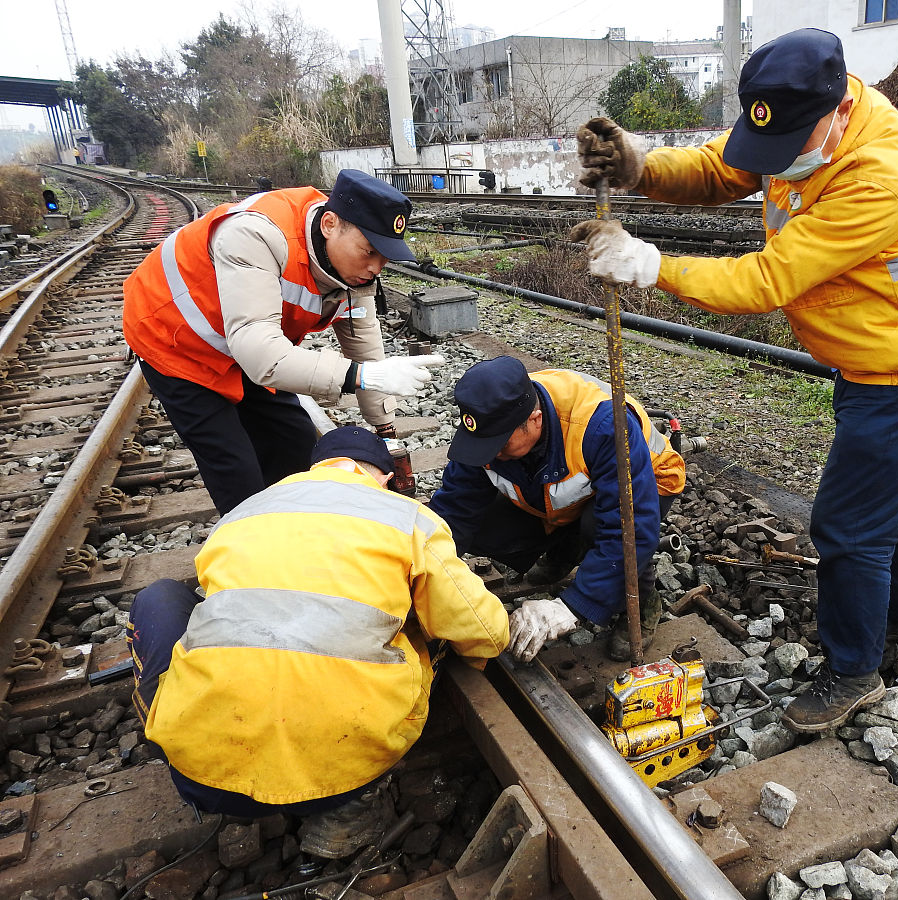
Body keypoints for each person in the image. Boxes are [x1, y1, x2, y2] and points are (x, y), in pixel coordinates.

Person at [570, 28, 898, 731]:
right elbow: (724, 170)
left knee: (847, 527)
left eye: (786, 147)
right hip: (871, 351)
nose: (775, 162)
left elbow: (770, 277)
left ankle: (853, 672)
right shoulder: (794, 117)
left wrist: (650, 265)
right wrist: (640, 167)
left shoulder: (877, 170)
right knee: (895, 504)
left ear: (839, 112)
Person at [125, 425, 510, 858]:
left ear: (315, 469)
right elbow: (482, 629)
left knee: (159, 597)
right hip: (343, 776)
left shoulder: (244, 513)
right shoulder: (405, 517)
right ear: (382, 476)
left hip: (201, 779)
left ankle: (173, 724)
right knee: (426, 626)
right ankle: (355, 805)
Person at [122, 168, 444, 516]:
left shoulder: (355, 268)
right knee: (235, 467)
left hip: (252, 342)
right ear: (329, 224)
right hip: (176, 341)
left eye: (385, 257)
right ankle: (254, 548)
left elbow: (362, 340)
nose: (376, 268)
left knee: (295, 445)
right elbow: (263, 357)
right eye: (368, 252)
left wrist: (383, 423)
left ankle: (296, 528)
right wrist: (359, 376)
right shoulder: (256, 234)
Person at [428, 356, 686, 662]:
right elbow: (455, 508)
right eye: (484, 444)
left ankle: (643, 603)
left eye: (500, 444)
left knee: (599, 527)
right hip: (565, 490)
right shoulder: (488, 426)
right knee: (482, 524)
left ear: (535, 419)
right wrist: (426, 568)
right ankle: (565, 551)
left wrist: (573, 606)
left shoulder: (603, 424)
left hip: (648, 484)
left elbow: (630, 528)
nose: (491, 454)